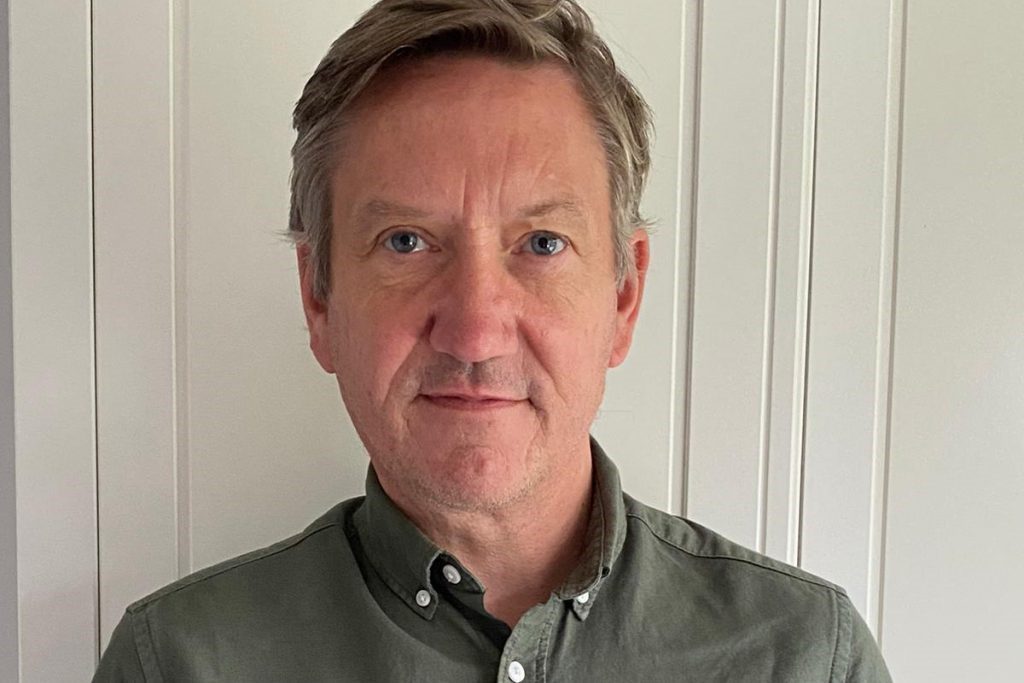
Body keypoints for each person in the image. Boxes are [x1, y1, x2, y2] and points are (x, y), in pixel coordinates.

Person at [94, 0, 891, 680]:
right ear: (318, 297)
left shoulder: (805, 657)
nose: (474, 331)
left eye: (541, 243)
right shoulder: (177, 662)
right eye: (406, 241)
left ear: (624, 293)